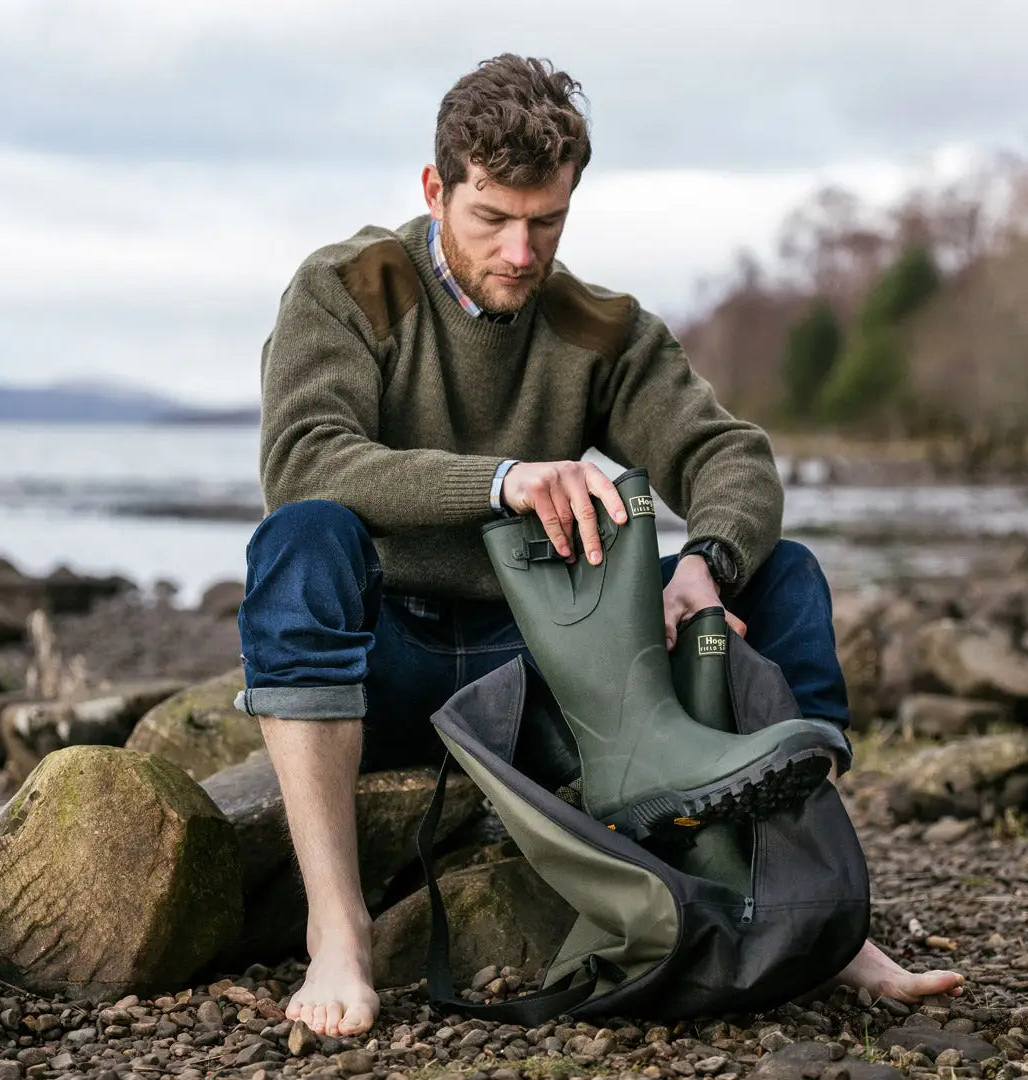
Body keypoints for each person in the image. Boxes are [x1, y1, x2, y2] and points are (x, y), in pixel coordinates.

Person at [235, 54, 963, 1038]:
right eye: (493, 218)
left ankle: (818, 913)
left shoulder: (601, 328)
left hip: (541, 673)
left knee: (784, 577)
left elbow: (730, 458)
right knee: (302, 538)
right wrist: (503, 480)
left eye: (549, 220)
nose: (523, 252)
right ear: (434, 189)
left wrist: (705, 565)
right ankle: (340, 930)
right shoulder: (347, 288)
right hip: (385, 666)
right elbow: (308, 459)